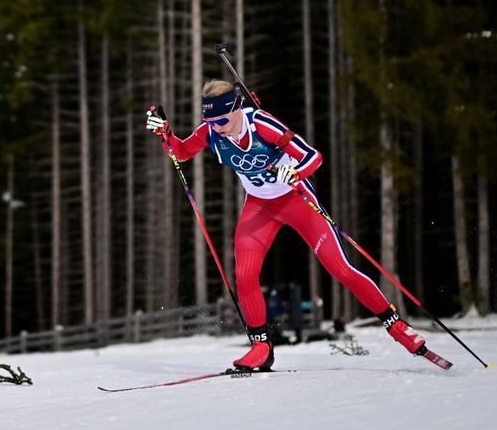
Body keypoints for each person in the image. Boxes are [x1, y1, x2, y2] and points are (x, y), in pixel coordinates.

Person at [145, 79, 428, 372]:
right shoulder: (211, 132)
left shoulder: (263, 125)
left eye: (222, 120)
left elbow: (313, 157)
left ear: (236, 108)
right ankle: (261, 347)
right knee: (245, 274)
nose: (216, 127)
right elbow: (180, 151)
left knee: (340, 269)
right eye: (210, 121)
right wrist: (164, 133)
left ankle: (397, 327)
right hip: (259, 206)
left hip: (296, 201)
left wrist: (293, 172)